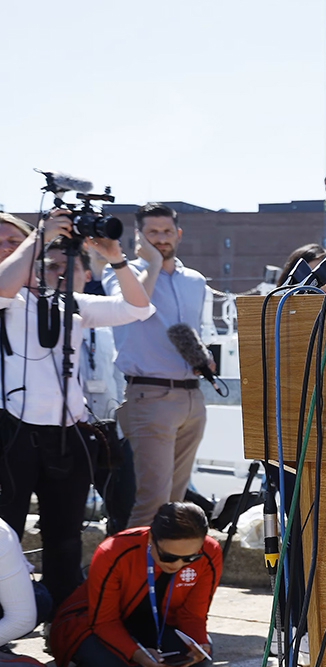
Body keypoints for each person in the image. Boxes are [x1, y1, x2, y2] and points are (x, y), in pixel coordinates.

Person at [0, 213, 154, 606]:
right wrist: (40, 233)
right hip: (13, 433)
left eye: (67, 266)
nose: (58, 273)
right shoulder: (11, 300)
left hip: (68, 437)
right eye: (49, 266)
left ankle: (65, 624)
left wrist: (116, 257)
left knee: (66, 539)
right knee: (6, 533)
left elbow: (137, 307)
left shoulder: (74, 304)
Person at [103, 204, 211, 529]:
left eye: (166, 232)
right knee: (152, 502)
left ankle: (165, 578)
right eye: (152, 233)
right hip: (149, 395)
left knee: (176, 506)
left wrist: (203, 355)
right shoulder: (119, 272)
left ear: (178, 234)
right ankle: (137, 576)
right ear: (139, 236)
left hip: (193, 397)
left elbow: (194, 328)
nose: (161, 239)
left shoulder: (195, 280)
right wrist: (150, 262)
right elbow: (135, 305)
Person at [49, 501, 221, 667]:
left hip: (158, 625)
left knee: (200, 660)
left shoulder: (209, 552)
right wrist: (137, 654)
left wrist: (199, 644)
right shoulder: (114, 551)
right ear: (151, 538)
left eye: (190, 558)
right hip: (94, 623)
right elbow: (103, 621)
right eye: (169, 557)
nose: (177, 564)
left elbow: (193, 615)